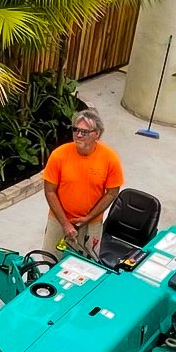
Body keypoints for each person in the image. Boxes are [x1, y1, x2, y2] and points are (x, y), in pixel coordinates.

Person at [42, 107, 123, 255]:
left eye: (84, 132)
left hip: (91, 223)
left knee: (87, 266)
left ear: (97, 134)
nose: (78, 135)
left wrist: (88, 218)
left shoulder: (110, 158)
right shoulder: (58, 155)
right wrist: (65, 223)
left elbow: (112, 192)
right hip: (59, 220)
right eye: (75, 130)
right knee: (50, 261)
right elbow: (49, 191)